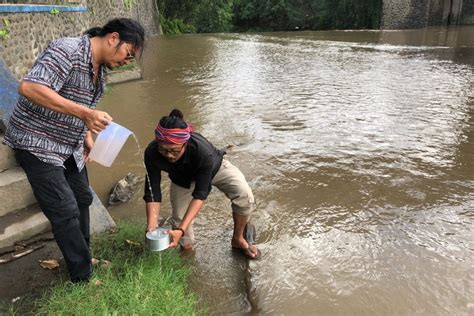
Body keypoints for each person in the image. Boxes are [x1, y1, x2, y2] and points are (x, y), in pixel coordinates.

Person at [3, 18, 145, 282]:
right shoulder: (67, 50)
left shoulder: (99, 72)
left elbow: (80, 106)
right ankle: (83, 277)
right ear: (113, 38)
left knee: (83, 198)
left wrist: (87, 134)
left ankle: (84, 256)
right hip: (36, 141)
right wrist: (86, 114)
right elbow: (29, 87)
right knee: (65, 209)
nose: (127, 61)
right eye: (128, 54)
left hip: (69, 143)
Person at [143, 109, 261, 259]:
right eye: (164, 151)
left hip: (215, 168)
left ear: (185, 144)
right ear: (158, 144)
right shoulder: (151, 153)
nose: (169, 155)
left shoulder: (202, 151)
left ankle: (238, 238)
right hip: (182, 179)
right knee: (179, 220)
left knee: (244, 194)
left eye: (174, 151)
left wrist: (181, 229)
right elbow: (152, 192)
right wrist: (151, 227)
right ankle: (187, 253)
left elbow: (200, 194)